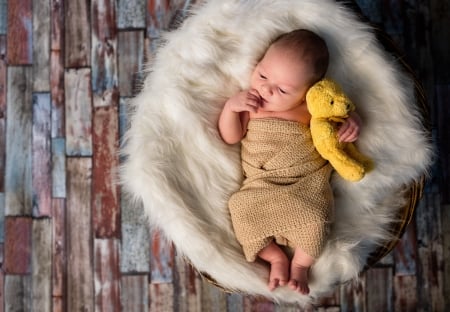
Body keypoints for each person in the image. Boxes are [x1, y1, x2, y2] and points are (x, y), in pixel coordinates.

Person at [218, 29, 361, 295]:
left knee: (318, 217)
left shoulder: (309, 110)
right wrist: (231, 108)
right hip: (261, 185)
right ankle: (275, 258)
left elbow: (338, 119)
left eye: (282, 89)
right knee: (240, 208)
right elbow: (231, 137)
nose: (266, 88)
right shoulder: (252, 105)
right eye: (262, 75)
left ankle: (300, 267)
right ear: (258, 64)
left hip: (303, 184)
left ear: (307, 93)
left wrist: (352, 123)